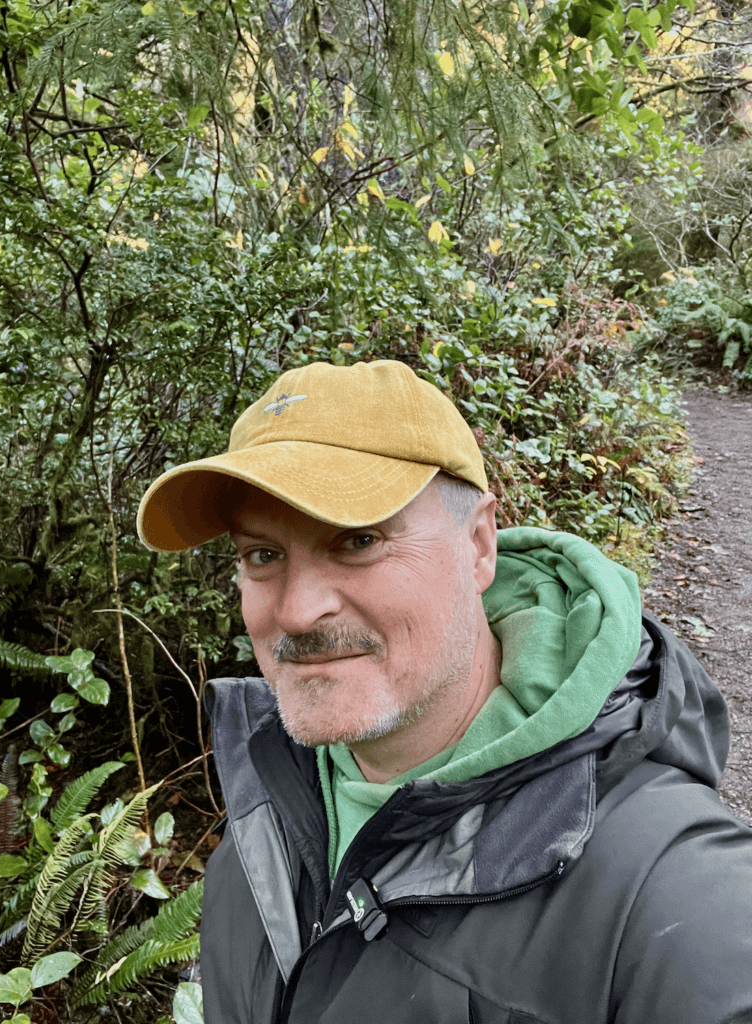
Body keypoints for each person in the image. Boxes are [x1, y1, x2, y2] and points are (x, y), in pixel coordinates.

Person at [137, 359, 752, 1024]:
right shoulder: (269, 799)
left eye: (358, 540)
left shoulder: (666, 893)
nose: (295, 611)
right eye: (262, 555)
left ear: (480, 544)